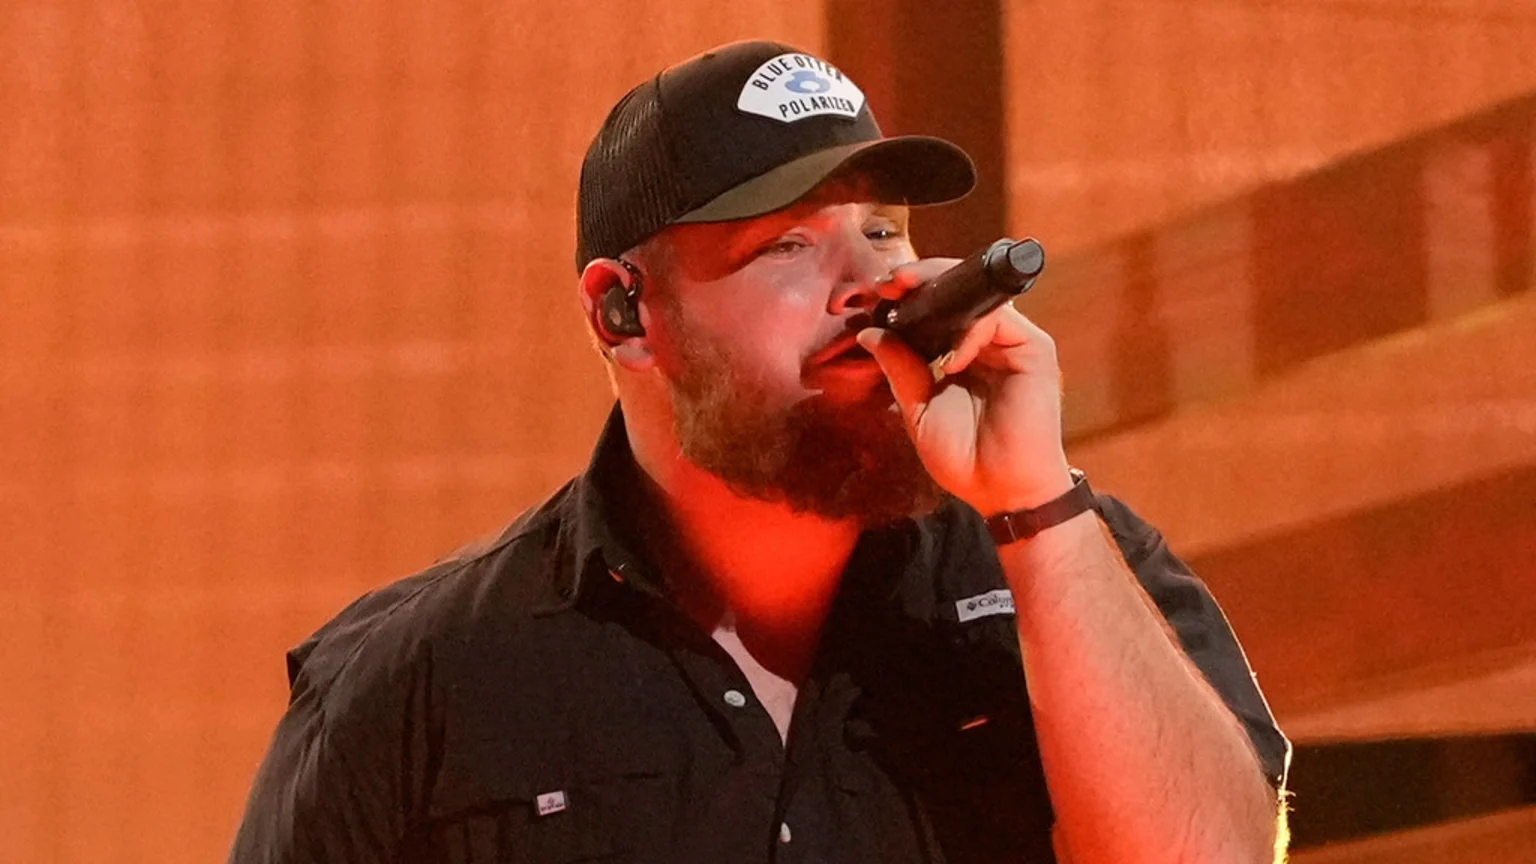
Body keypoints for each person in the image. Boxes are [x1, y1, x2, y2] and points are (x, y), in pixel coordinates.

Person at [228, 40, 1291, 864]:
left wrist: (1037, 508)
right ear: (623, 314)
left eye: (881, 230)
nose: (870, 284)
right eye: (787, 244)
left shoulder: (1074, 567)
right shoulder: (422, 682)